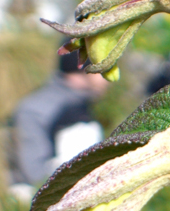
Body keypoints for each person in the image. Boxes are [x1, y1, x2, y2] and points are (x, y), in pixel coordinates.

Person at [10, 48, 109, 195]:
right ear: (84, 71)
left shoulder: (78, 104)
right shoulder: (39, 110)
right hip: (38, 200)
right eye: (104, 71)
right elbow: (34, 173)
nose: (109, 80)